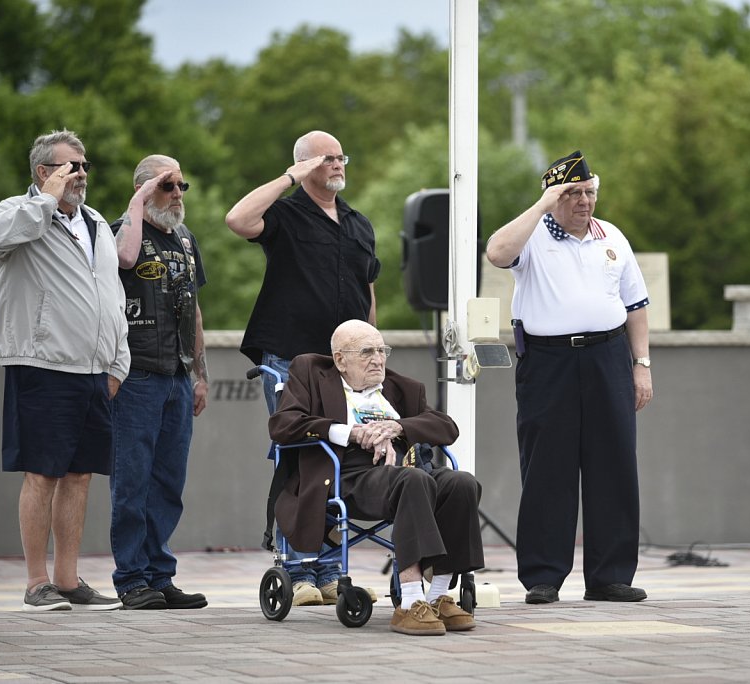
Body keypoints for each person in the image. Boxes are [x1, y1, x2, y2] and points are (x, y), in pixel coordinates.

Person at [485, 150, 653, 604]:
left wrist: (642, 365)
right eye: (573, 193)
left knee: (614, 466)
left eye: (589, 192)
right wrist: (542, 205)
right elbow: (496, 253)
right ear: (554, 196)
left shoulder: (611, 236)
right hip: (548, 362)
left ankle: (609, 576)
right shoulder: (533, 235)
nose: (584, 201)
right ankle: (543, 576)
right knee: (547, 469)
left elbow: (636, 306)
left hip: (608, 357)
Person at [225, 130, 381, 605]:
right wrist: (289, 179)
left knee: (337, 460)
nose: (338, 165)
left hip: (345, 365)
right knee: (299, 454)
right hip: (291, 358)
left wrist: (371, 351)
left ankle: (330, 570)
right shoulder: (286, 214)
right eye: (326, 159)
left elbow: (366, 290)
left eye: (340, 157)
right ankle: (297, 567)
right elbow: (237, 219)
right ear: (305, 166)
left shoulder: (359, 223)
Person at [0, 129, 128, 611]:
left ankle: (67, 579)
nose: (82, 173)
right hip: (41, 364)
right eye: (71, 166)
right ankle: (35, 581)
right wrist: (44, 201)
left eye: (84, 165)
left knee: (80, 475)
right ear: (44, 172)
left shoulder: (97, 222)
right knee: (42, 473)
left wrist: (118, 359)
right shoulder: (15, 213)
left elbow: (111, 293)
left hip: (93, 370)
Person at [268, 320, 484, 635]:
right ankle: (410, 602)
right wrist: (351, 432)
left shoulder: (401, 387)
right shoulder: (311, 373)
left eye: (382, 351)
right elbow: (283, 425)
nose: (378, 359)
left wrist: (399, 427)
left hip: (404, 469)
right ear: (340, 359)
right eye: (367, 352)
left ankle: (438, 596)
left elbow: (447, 426)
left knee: (461, 483)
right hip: (349, 473)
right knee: (413, 481)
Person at [107, 155, 209, 610]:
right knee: (132, 481)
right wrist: (139, 201)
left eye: (181, 185)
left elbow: (196, 310)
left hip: (177, 376)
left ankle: (159, 575)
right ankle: (130, 578)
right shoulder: (122, 230)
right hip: (136, 375)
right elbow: (125, 258)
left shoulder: (185, 239)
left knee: (168, 481)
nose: (178, 194)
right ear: (145, 188)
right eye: (168, 185)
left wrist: (200, 374)